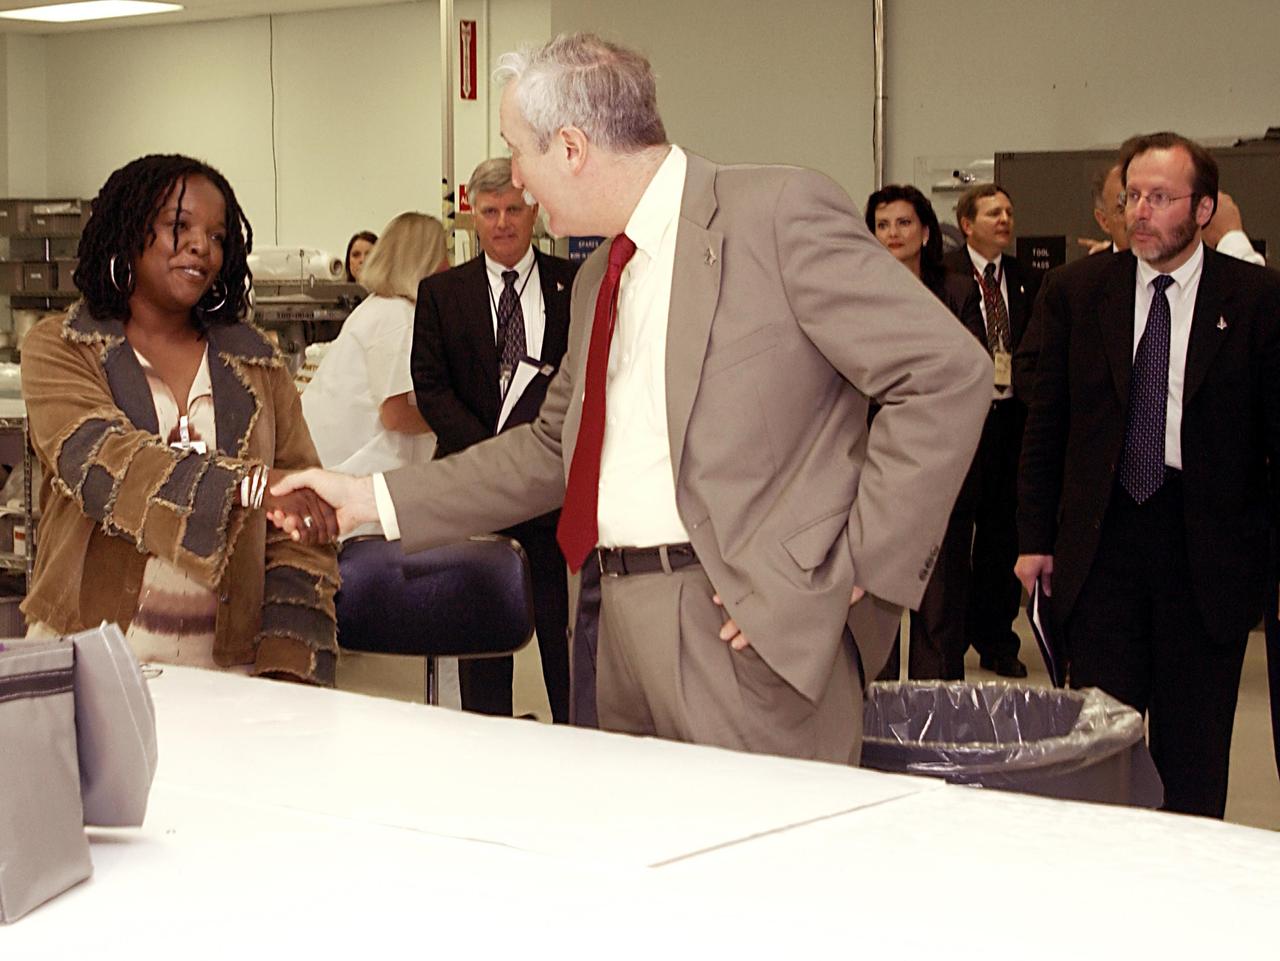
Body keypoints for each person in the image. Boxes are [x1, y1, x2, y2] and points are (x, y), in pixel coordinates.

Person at [274, 33, 991, 763]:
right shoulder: (597, 280)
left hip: (739, 628)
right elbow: (553, 449)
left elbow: (943, 373)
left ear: (574, 147)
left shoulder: (774, 215)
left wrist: (851, 566)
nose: (516, 181)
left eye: (519, 151)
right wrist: (366, 497)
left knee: (756, 872)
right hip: (608, 623)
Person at [1016, 131, 1280, 817]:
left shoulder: (1255, 299)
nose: (1140, 211)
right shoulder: (1077, 292)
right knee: (1103, 747)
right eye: (1131, 196)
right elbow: (1047, 425)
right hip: (1104, 545)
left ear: (1203, 208)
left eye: (1160, 198)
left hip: (1207, 548)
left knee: (1194, 757)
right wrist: (1033, 537)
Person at [20, 154, 339, 683]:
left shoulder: (256, 361)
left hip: (227, 676)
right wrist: (252, 486)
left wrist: (289, 672)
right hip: (89, 660)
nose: (201, 247)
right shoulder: (63, 346)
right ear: (128, 230)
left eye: (217, 236)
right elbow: (103, 465)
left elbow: (299, 536)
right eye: (179, 226)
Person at [410, 158, 577, 722]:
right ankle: (487, 751)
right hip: (476, 489)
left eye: (513, 209)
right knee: (482, 642)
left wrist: (535, 458)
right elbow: (431, 388)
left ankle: (579, 746)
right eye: (489, 212)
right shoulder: (440, 293)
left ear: (535, 210)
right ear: (472, 219)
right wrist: (494, 458)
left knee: (566, 639)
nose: (502, 223)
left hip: (554, 493)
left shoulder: (574, 285)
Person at [865, 184, 982, 680]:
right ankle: (879, 718)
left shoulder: (955, 291)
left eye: (903, 223)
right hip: (877, 463)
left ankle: (938, 723)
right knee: (879, 603)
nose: (893, 234)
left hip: (941, 465)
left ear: (926, 231)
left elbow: (970, 371)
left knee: (939, 606)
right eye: (883, 224)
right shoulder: (858, 292)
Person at [942, 183, 1042, 678]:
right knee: (959, 535)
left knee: (1004, 534)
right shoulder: (948, 277)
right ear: (967, 224)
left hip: (1010, 421)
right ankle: (951, 637)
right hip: (964, 424)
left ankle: (998, 639)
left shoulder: (1025, 279)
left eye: (1008, 210)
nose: (1004, 219)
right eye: (992, 212)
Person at [303, 211, 444, 535]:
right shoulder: (398, 316)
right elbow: (396, 413)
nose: (448, 267)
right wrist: (457, 416)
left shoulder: (379, 309)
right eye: (442, 256)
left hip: (344, 475)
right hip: (359, 482)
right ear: (422, 261)